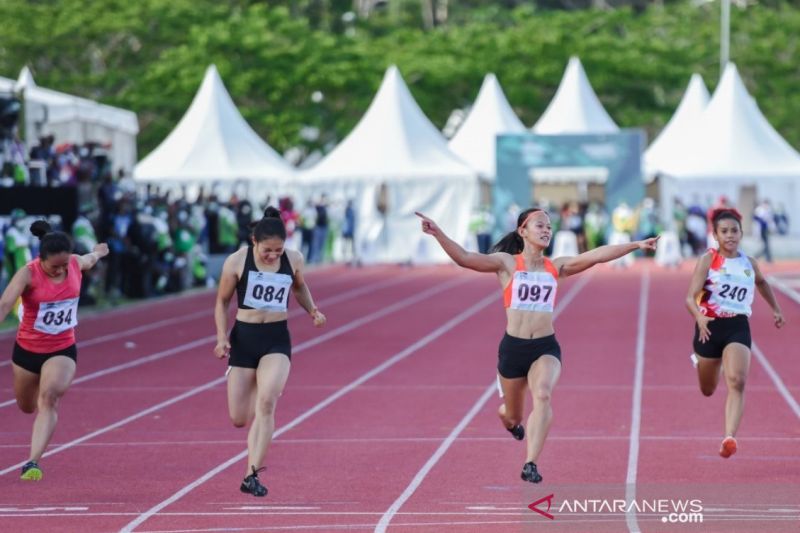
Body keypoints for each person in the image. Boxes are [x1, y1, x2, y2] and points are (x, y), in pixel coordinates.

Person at [416, 208, 658, 483]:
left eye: (549, 227)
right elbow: (465, 258)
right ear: (523, 232)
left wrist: (636, 245)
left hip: (545, 347)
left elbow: (597, 255)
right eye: (539, 226)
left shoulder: (556, 267)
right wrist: (438, 233)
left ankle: (530, 462)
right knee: (512, 415)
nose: (546, 230)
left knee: (542, 395)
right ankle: (509, 419)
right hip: (513, 349)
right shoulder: (507, 263)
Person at [214, 207, 326, 497]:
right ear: (254, 241)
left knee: (266, 403)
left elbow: (299, 287)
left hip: (276, 339)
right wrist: (220, 337)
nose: (273, 256)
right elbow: (222, 301)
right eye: (268, 251)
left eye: (279, 250)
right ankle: (252, 396)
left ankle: (251, 474)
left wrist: (312, 309)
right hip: (243, 339)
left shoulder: (294, 259)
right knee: (239, 418)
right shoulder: (237, 261)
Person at [0, 220, 108, 480]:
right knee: (27, 406)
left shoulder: (74, 263)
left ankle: (32, 462)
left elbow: (88, 259)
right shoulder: (28, 273)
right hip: (26, 351)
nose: (60, 270)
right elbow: (4, 304)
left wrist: (98, 251)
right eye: (54, 267)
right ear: (41, 259)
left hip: (62, 348)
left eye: (63, 266)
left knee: (48, 397)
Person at [685, 208, 785, 458]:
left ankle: (729, 437)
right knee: (707, 389)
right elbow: (689, 297)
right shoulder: (708, 260)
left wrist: (775, 308)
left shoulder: (748, 263)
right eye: (724, 231)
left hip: (737, 326)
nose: (730, 236)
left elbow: (762, 282)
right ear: (716, 236)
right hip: (709, 326)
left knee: (737, 381)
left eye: (734, 231)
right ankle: (706, 361)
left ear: (741, 233)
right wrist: (699, 317)